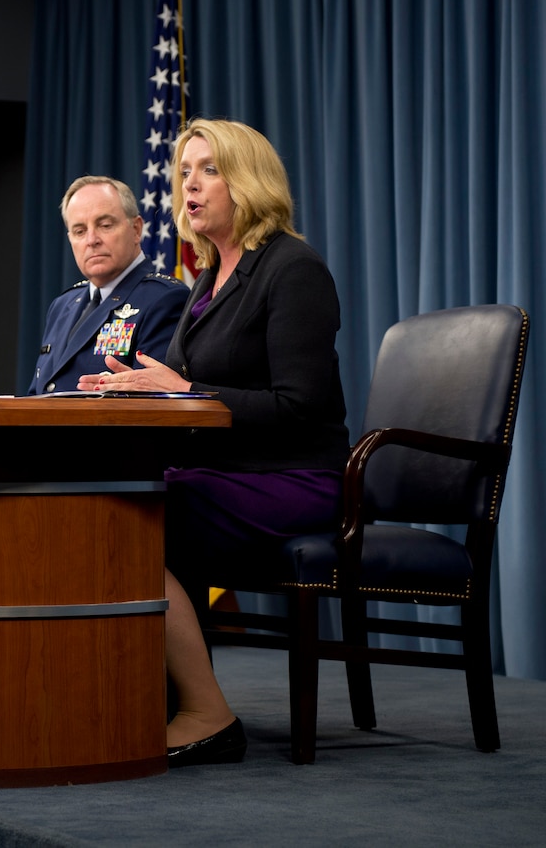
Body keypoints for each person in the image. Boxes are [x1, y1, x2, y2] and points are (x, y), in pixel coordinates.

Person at [78, 119, 351, 767]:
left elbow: (300, 405)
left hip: (295, 480)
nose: (189, 186)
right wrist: (132, 391)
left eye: (209, 170)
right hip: (226, 474)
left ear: (249, 179)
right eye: (183, 172)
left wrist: (183, 391)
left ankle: (206, 714)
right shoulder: (208, 279)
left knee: (127, 516)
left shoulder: (293, 269)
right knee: (97, 500)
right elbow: (179, 388)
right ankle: (139, 700)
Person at [25, 175, 189, 395]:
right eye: (80, 231)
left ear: (136, 229)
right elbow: (38, 393)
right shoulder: (62, 305)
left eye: (105, 225)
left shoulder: (165, 299)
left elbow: (153, 405)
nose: (91, 239)